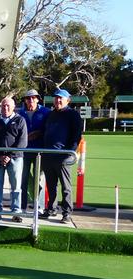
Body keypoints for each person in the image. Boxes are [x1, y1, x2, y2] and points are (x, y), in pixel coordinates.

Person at [41, 89, 82, 223]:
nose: (58, 100)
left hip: (63, 157)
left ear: (67, 100)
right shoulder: (51, 114)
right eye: (56, 98)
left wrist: (70, 153)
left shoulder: (73, 115)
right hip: (48, 156)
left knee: (66, 187)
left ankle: (66, 213)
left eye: (61, 98)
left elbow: (76, 136)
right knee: (51, 186)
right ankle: (51, 209)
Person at [0, 97, 28, 222]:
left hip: (15, 158)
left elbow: (22, 142)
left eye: (8, 106)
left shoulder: (20, 120)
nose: (5, 108)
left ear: (13, 107)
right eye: (3, 106)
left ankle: (16, 211)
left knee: (15, 186)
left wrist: (9, 155)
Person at [18, 89, 50, 213]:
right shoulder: (20, 114)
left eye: (33, 98)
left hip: (39, 152)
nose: (30, 100)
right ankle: (23, 206)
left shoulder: (46, 112)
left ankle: (39, 206)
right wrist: (26, 137)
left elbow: (50, 129)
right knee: (23, 178)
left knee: (39, 179)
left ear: (37, 99)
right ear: (25, 100)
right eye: (28, 98)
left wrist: (40, 133)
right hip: (24, 152)